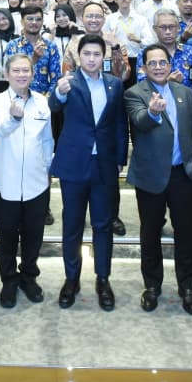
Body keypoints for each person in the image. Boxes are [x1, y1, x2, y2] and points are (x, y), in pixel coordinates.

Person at [124, 43, 192, 315]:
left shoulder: (184, 93)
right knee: (150, 233)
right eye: (153, 63)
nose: (159, 67)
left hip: (182, 174)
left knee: (185, 232)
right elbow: (139, 121)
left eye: (163, 62)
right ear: (144, 67)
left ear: (170, 65)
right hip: (150, 177)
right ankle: (152, 286)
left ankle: (188, 286)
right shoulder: (135, 93)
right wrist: (153, 112)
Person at [49, 34, 128, 311]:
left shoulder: (115, 84)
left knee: (103, 225)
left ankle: (103, 278)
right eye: (87, 54)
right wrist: (58, 91)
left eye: (97, 54)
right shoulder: (68, 82)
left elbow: (120, 123)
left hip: (104, 165)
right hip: (74, 163)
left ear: (103, 57)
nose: (92, 59)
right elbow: (54, 105)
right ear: (79, 57)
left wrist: (119, 157)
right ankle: (71, 279)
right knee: (72, 225)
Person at [0, 54, 55, 308]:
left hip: (36, 182)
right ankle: (8, 280)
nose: (21, 75)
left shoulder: (41, 102)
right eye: (15, 71)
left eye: (25, 70)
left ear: (32, 72)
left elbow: (47, 139)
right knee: (6, 236)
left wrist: (47, 168)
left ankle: (29, 276)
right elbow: (2, 130)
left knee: (33, 235)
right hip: (5, 182)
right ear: (6, 74)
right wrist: (14, 117)